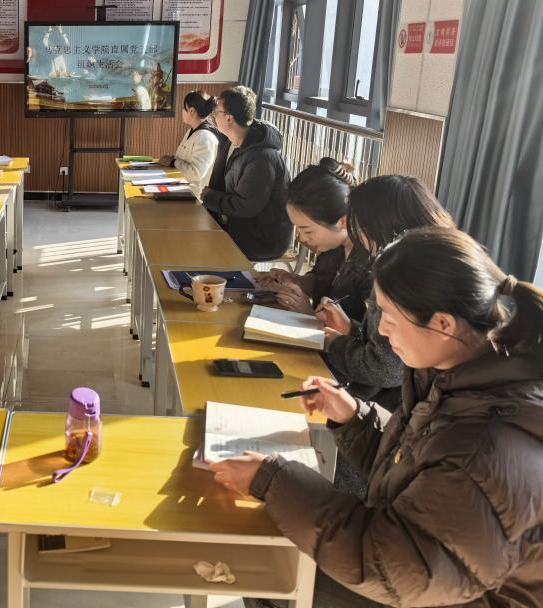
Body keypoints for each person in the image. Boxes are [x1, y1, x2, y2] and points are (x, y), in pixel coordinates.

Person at [212, 227, 543, 607]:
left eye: (389, 316)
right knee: (268, 551)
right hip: (431, 576)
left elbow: (393, 566)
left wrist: (273, 478)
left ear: (443, 324)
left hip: (427, 586)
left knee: (268, 566)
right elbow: (423, 471)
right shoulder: (459, 376)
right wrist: (355, 417)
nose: (381, 330)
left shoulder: (485, 444)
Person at [319, 175, 455, 411]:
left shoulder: (402, 272)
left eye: (358, 227)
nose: (358, 237)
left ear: (377, 227)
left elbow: (385, 368)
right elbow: (389, 351)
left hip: (397, 410)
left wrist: (335, 344)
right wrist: (351, 329)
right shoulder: (437, 260)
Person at [256, 157, 370, 322]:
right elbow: (320, 281)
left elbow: (370, 336)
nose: (301, 238)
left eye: (307, 230)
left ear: (343, 222)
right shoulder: (334, 246)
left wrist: (310, 316)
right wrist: (295, 281)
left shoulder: (372, 267)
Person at [200, 85, 292, 261]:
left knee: (198, 248)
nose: (213, 116)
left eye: (217, 111)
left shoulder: (262, 157)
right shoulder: (231, 142)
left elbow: (246, 206)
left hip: (261, 238)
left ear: (229, 118)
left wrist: (210, 197)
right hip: (238, 225)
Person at [157, 91, 220, 199]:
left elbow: (196, 173)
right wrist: (171, 159)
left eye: (183, 108)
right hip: (182, 188)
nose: (182, 111)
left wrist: (172, 162)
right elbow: (184, 158)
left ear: (191, 111)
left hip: (194, 197)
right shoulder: (193, 130)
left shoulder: (205, 137)